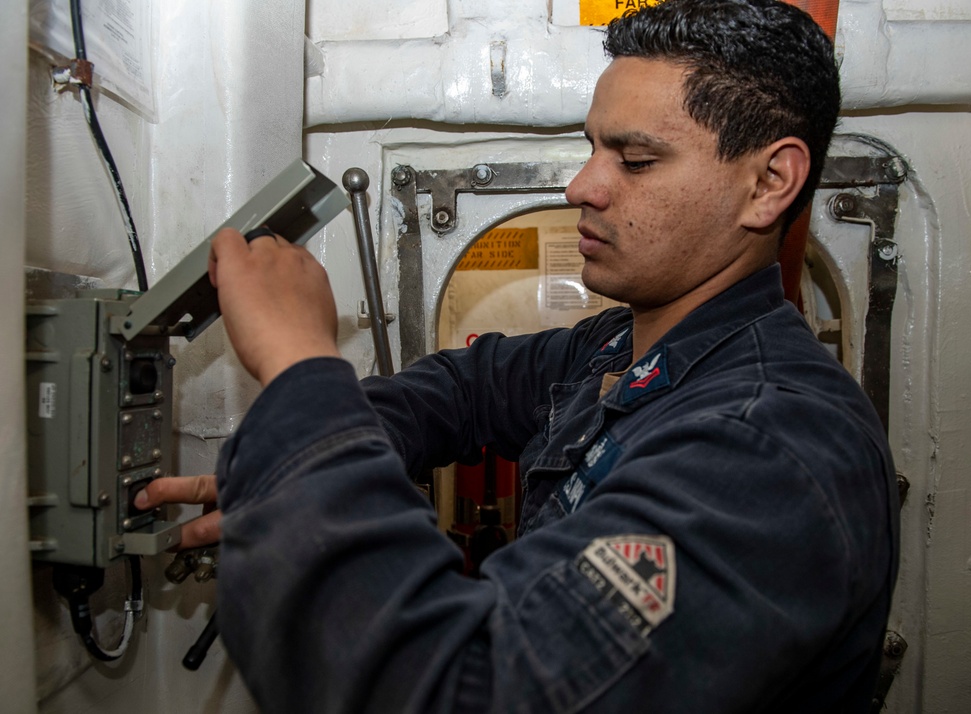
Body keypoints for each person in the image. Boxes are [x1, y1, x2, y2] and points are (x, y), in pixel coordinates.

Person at [137, 1, 899, 711]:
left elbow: (448, 689)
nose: (581, 186)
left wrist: (302, 369)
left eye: (633, 160)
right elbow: (461, 391)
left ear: (768, 183)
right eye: (591, 148)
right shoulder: (620, 345)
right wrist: (296, 471)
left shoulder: (768, 449)